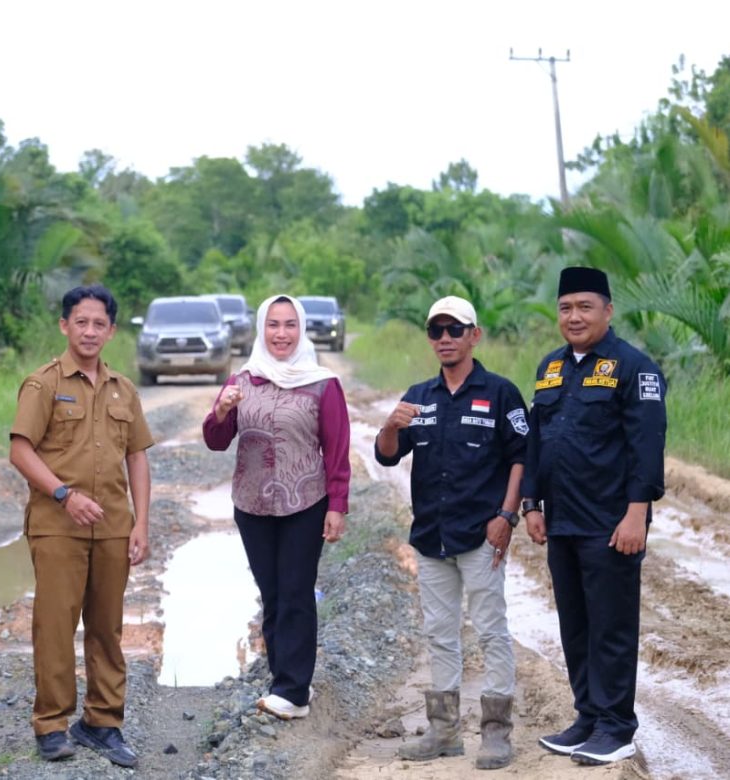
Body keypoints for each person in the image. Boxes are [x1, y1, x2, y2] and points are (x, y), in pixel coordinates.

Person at [373, 296, 528, 770]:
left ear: (474, 335)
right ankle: (443, 730)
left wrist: (507, 516)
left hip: (481, 534)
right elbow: (386, 456)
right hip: (431, 534)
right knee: (440, 632)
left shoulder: (500, 393)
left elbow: (522, 456)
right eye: (436, 331)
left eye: (454, 330)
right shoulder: (419, 395)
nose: (444, 338)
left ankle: (497, 733)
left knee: (490, 630)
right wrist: (389, 426)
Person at [521, 267, 667, 766]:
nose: (574, 316)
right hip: (561, 521)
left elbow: (646, 446)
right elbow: (537, 442)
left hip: (611, 523)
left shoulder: (634, 368)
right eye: (566, 308)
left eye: (585, 307)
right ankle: (587, 716)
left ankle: (616, 727)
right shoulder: (551, 369)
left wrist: (636, 513)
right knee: (576, 626)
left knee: (612, 627)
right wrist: (531, 504)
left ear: (608, 310)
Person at [9, 284, 154, 768]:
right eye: (81, 322)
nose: (89, 331)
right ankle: (51, 724)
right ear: (64, 325)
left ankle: (102, 723)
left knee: (107, 628)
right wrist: (63, 495)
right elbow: (20, 450)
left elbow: (136, 456)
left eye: (99, 324)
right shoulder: (43, 384)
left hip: (113, 525)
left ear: (111, 331)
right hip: (57, 524)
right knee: (54, 626)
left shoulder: (123, 390)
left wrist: (141, 523)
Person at [203, 293, 350, 721]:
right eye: (273, 325)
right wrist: (221, 411)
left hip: (306, 501)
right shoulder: (243, 379)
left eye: (289, 325)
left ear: (301, 330)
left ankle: (294, 691)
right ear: (261, 330)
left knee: (296, 593)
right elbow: (216, 440)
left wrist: (336, 505)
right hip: (252, 505)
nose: (281, 334)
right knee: (272, 595)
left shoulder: (323, 383)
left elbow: (337, 450)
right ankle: (281, 679)